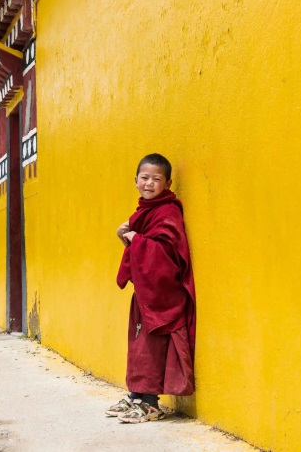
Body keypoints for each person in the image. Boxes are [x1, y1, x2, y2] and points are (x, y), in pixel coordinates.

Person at [106, 153, 196, 423]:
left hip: (163, 294)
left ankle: (151, 403)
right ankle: (135, 395)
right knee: (138, 344)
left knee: (153, 344)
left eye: (156, 179)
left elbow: (168, 252)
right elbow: (142, 249)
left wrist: (136, 238)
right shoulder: (143, 212)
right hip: (146, 291)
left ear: (167, 183)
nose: (149, 183)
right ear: (135, 181)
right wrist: (127, 237)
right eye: (144, 178)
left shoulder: (168, 211)